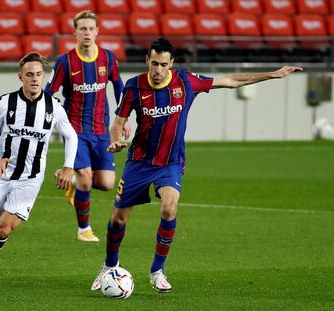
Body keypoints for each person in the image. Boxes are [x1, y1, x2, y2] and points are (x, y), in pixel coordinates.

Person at [91, 37, 303, 292]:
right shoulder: (134, 86)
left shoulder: (185, 81)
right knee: (119, 218)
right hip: (138, 162)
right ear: (147, 60)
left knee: (169, 209)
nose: (158, 71)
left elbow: (231, 80)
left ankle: (157, 271)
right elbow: (118, 122)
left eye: (164, 65)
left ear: (172, 63)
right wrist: (115, 142)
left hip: (170, 163)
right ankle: (109, 266)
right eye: (154, 64)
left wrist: (273, 74)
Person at [0, 52, 78, 281]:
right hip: (0, 173)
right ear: (20, 77)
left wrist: (68, 167)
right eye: (29, 74)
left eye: (39, 75)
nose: (34, 79)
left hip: (30, 180)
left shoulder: (54, 108)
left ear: (44, 77)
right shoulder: (5, 103)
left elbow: (71, 136)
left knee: (3, 229)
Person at [45, 10, 130, 242]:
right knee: (86, 178)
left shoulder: (108, 58)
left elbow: (118, 86)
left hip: (101, 129)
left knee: (105, 183)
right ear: (75, 31)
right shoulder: (65, 62)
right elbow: (48, 93)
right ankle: (84, 230)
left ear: (97, 31)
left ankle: (72, 181)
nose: (87, 33)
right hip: (75, 130)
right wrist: (52, 119)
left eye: (91, 29)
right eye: (82, 28)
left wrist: (123, 120)